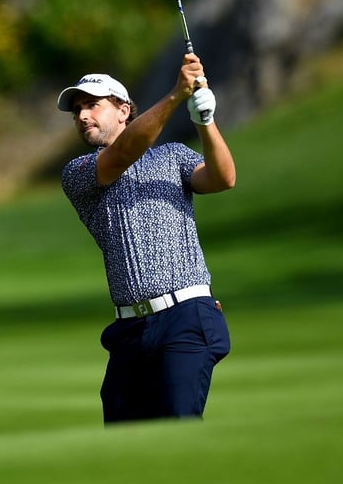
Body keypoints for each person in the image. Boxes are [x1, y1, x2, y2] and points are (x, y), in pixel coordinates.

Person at [56, 52, 236, 423]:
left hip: (185, 317)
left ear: (124, 110)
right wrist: (176, 96)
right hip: (130, 331)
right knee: (124, 443)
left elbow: (222, 178)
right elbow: (123, 152)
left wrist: (204, 121)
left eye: (92, 105)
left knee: (178, 429)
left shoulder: (172, 156)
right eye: (77, 111)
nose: (82, 116)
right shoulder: (79, 172)